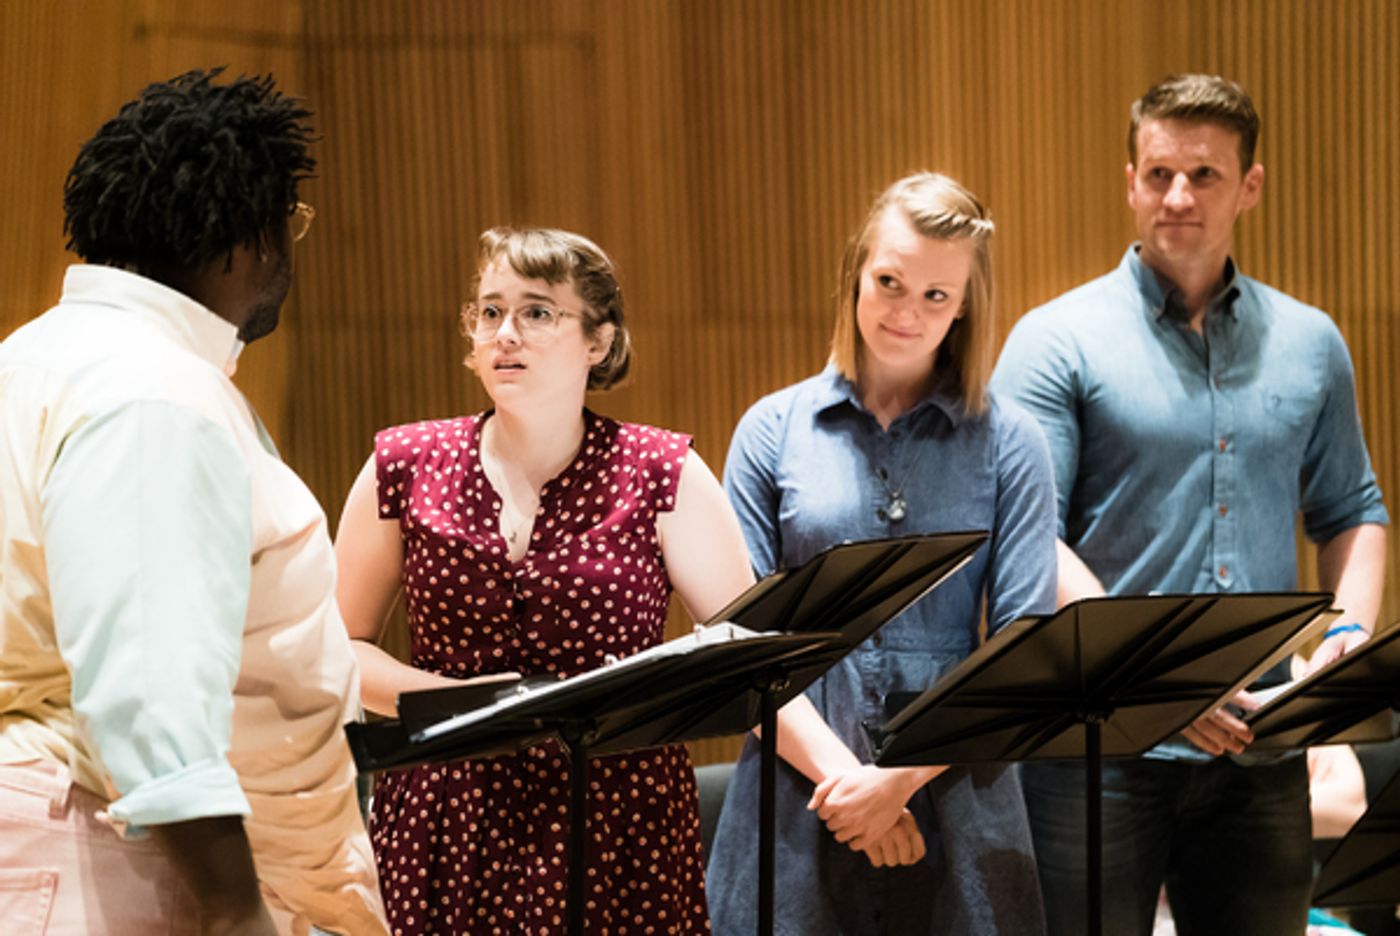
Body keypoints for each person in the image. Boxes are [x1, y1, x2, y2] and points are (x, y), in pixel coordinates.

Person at [991, 73, 1389, 936]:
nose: (1178, 195)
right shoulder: (1056, 341)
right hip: (1095, 745)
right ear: (1129, 180)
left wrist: (1347, 642)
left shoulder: (1312, 343)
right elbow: (1027, 537)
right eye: (1160, 173)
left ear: (1250, 186)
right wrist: (1161, 682)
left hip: (1260, 744)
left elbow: (1353, 510)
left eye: (1205, 174)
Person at [0, 69, 387, 934]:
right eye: (291, 226)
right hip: (120, 864)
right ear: (245, 236)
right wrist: (231, 910)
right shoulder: (152, 391)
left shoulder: (35, 358)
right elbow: (146, 684)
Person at [334, 225, 756, 933]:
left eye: (536, 313)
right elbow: (338, 643)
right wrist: (461, 701)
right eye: (490, 311)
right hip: (446, 808)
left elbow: (742, 650)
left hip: (621, 817)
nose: (505, 334)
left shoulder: (662, 472)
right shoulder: (402, 463)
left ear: (599, 342)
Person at [705, 172, 1058, 935]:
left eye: (936, 295)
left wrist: (896, 781)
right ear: (855, 274)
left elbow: (1026, 643)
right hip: (799, 785)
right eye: (890, 282)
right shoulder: (771, 430)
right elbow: (738, 645)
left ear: (965, 304)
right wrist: (852, 788)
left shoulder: (1012, 443)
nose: (906, 312)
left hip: (960, 785)